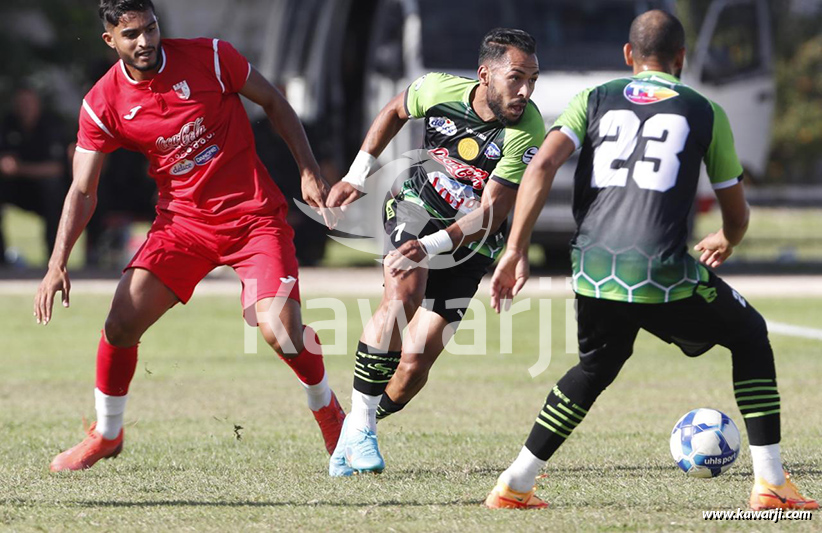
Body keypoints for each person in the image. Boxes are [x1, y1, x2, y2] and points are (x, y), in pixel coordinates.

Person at [484, 10, 818, 511]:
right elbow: (736, 212)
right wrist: (727, 238)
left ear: (628, 54)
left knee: (598, 364)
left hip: (592, 266)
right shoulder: (703, 109)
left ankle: (515, 484)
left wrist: (515, 249)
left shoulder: (592, 98)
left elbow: (543, 164)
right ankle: (770, 484)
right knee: (750, 335)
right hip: (661, 269)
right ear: (681, 57)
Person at [36, 0, 345, 472]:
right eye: (132, 34)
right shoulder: (102, 103)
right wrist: (57, 262)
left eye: (151, 28)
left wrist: (307, 170)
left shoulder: (212, 57)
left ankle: (328, 412)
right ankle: (107, 433)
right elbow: (82, 188)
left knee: (279, 329)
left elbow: (274, 102)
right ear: (110, 40)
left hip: (253, 219)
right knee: (121, 322)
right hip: (183, 226)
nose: (146, 41)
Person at [325, 28, 545, 476]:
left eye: (532, 80)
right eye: (516, 78)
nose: (525, 91)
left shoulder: (527, 129)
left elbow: (489, 215)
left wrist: (428, 247)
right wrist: (357, 174)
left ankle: (356, 424)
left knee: (413, 366)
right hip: (414, 209)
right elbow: (394, 110)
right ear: (484, 75)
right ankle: (363, 428)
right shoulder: (437, 89)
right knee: (403, 295)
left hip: (471, 244)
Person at [0, 86, 68, 265]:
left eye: (28, 103)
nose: (25, 107)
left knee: (52, 188)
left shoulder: (51, 125)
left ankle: (55, 258)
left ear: (37, 104)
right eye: (21, 103)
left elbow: (56, 168)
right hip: (16, 187)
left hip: (46, 192)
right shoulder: (9, 124)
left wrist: (20, 168)